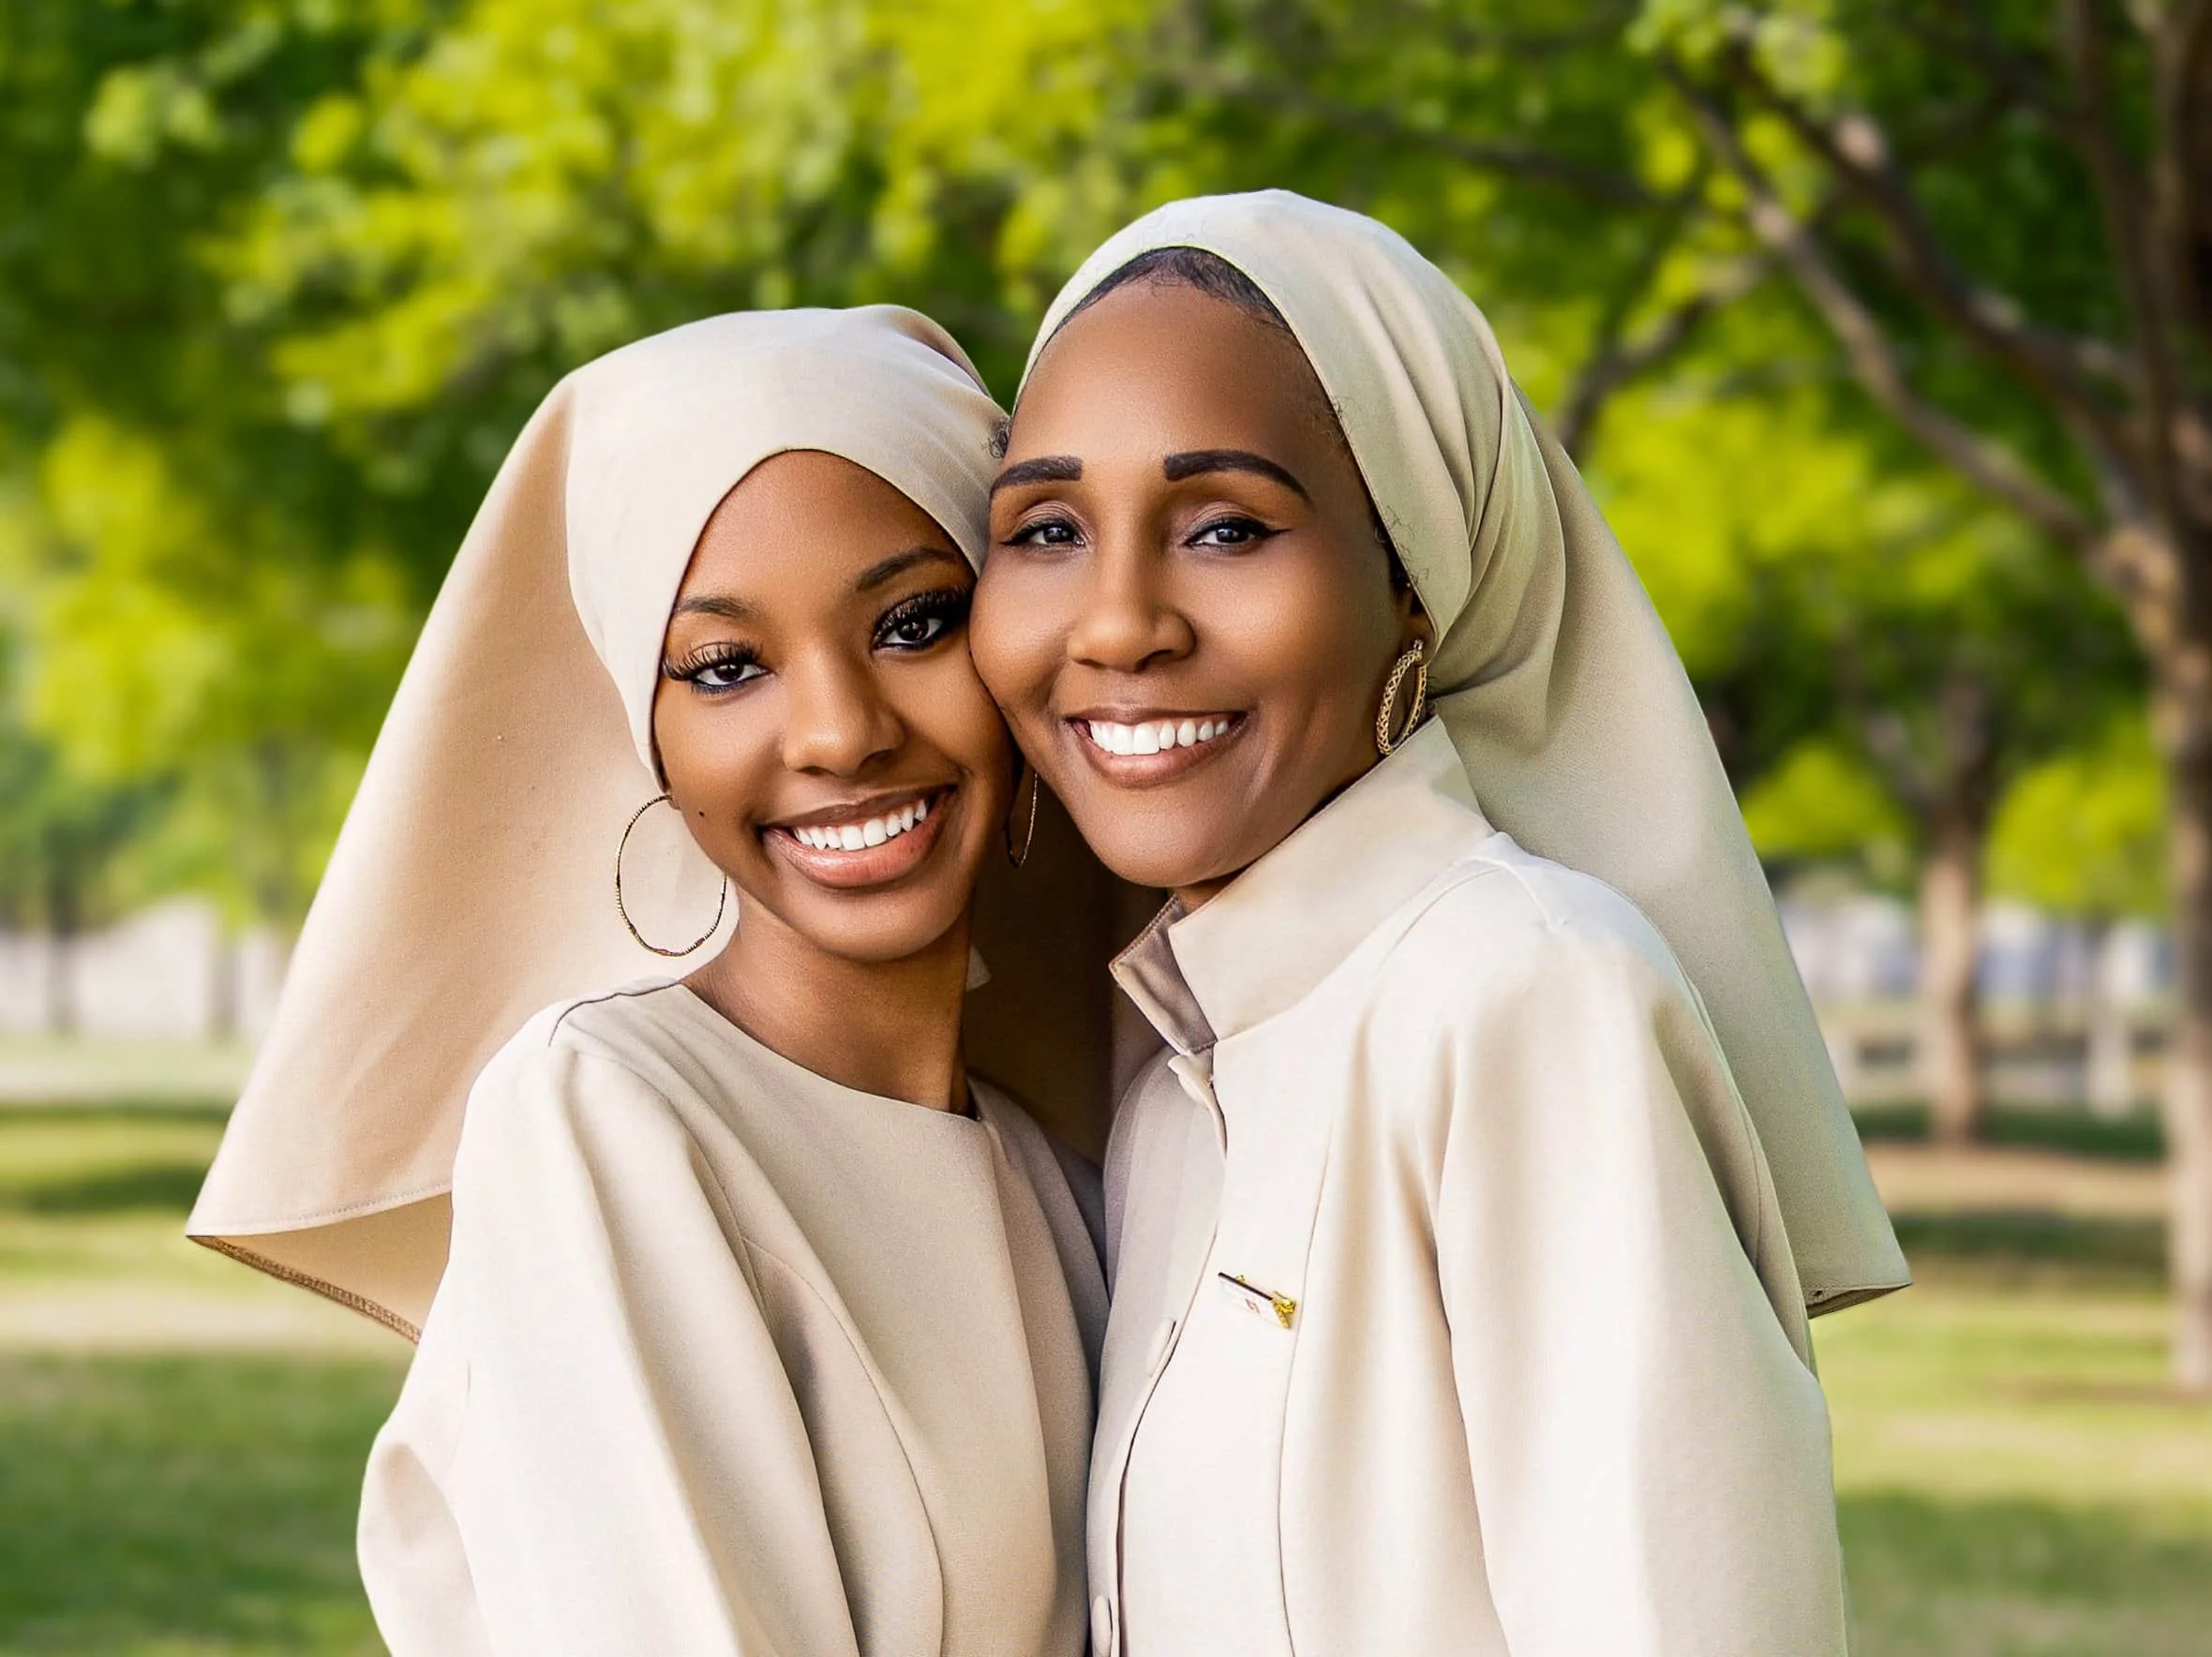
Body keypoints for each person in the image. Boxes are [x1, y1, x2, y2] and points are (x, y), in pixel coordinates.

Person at [970, 191, 1912, 1656]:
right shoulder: (1174, 1080)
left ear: (1417, 587)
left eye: (1225, 526)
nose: (1117, 622)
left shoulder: (1522, 1000)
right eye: (1045, 528)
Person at [187, 306, 1124, 1656]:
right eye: (727, 667)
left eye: (915, 622)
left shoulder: (1053, 1173)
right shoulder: (605, 1122)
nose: (840, 732)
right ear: (650, 731)